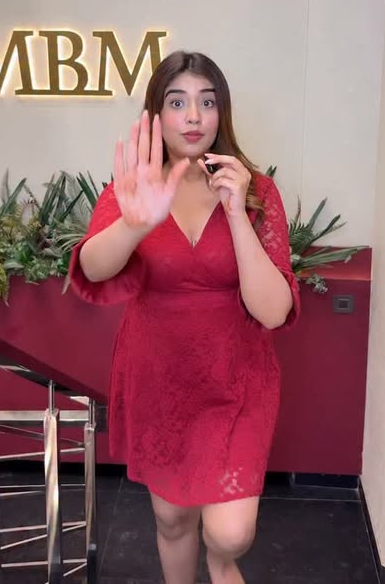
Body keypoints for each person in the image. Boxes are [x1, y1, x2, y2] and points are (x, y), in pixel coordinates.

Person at [69, 50, 300, 584]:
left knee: (230, 535)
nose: (194, 116)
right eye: (178, 102)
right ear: (156, 114)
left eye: (206, 102)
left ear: (222, 113)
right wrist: (135, 223)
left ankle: (220, 562)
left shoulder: (257, 191)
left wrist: (236, 212)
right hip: (159, 379)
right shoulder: (134, 189)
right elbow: (93, 267)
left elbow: (272, 310)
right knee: (172, 521)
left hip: (236, 380)